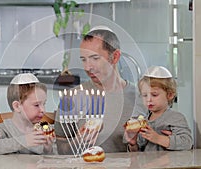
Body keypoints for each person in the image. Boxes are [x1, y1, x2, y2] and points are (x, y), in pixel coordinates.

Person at [54, 25, 146, 154]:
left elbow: (152, 153)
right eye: (84, 60)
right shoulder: (71, 97)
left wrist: (134, 145)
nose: (87, 67)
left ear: (115, 57)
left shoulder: (143, 98)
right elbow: (59, 149)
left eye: (95, 58)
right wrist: (76, 142)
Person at [0, 73, 56, 155]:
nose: (43, 110)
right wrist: (24, 141)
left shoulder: (46, 129)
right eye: (36, 105)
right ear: (17, 106)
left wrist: (48, 150)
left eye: (44, 104)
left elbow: (59, 158)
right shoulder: (5, 129)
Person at [124, 66, 193, 151]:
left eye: (154, 95)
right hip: (148, 164)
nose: (148, 99)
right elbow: (137, 154)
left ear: (170, 95)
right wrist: (133, 143)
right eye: (145, 95)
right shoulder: (144, 121)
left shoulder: (175, 118)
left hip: (170, 164)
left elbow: (187, 142)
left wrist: (158, 138)